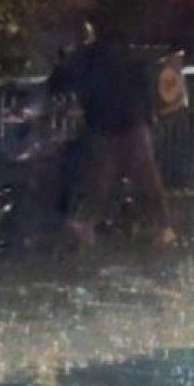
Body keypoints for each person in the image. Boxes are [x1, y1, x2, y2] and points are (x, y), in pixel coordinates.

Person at [60, 21, 176, 248]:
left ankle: (84, 225)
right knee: (146, 177)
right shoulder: (131, 56)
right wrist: (150, 116)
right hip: (131, 123)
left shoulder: (85, 56)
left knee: (99, 179)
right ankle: (162, 228)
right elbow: (147, 87)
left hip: (102, 125)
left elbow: (60, 81)